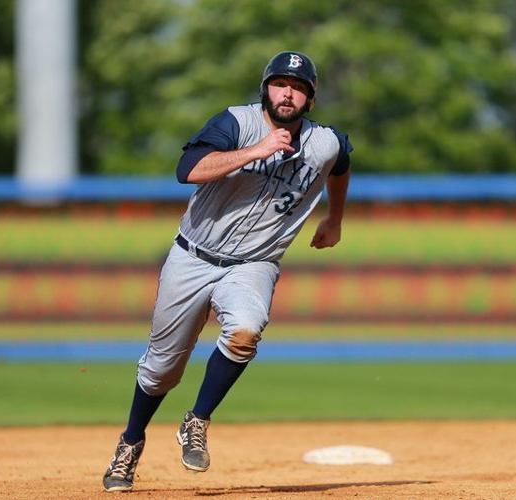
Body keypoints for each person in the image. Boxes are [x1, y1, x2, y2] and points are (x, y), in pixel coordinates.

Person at [102, 51, 353, 492]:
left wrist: (334, 218)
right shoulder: (236, 124)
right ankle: (130, 442)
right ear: (265, 89)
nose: (288, 93)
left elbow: (342, 163)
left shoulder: (324, 143)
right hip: (193, 256)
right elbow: (188, 171)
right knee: (161, 370)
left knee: (245, 331)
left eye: (298, 88)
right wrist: (258, 150)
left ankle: (197, 419)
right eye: (280, 84)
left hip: (255, 263)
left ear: (310, 99)